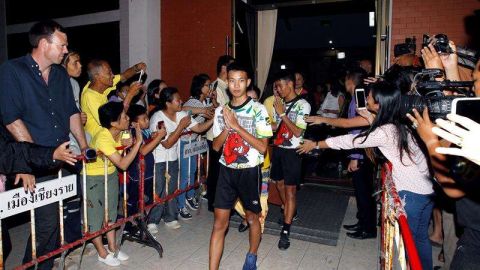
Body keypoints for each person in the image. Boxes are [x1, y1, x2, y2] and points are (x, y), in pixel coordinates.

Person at [298, 82, 434, 269]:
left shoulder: (386, 130)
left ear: (379, 103)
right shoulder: (399, 120)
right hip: (426, 190)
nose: (366, 98)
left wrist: (316, 144)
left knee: (405, 245)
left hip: (411, 194)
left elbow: (351, 140)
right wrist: (370, 117)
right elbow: (382, 130)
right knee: (420, 239)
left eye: (370, 96)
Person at [0, 20, 88, 269]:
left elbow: (71, 111)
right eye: (62, 45)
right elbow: (11, 119)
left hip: (64, 156)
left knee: (58, 220)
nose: (65, 50)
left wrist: (83, 146)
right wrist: (31, 159)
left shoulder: (60, 74)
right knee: (47, 223)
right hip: (37, 162)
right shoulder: (12, 71)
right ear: (43, 44)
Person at [209, 63, 273, 270]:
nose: (236, 85)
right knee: (219, 223)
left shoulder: (258, 109)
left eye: (241, 80)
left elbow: (263, 148)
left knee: (253, 217)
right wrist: (228, 128)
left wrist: (237, 127)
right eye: (232, 80)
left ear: (248, 82)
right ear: (227, 83)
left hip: (249, 171)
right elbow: (217, 146)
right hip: (226, 171)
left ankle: (252, 256)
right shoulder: (221, 111)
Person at [85, 102, 143, 266]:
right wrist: (138, 143)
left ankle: (112, 246)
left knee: (110, 212)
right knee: (95, 217)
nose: (128, 118)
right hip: (93, 178)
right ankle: (102, 253)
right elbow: (123, 164)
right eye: (124, 117)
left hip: (109, 174)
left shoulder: (120, 132)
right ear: (113, 123)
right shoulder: (103, 137)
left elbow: (124, 148)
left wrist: (130, 142)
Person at [148, 87, 212, 228]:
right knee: (158, 190)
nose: (181, 102)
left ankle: (170, 217)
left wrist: (214, 119)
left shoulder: (181, 114)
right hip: (159, 159)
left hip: (174, 157)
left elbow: (199, 128)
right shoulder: (157, 118)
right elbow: (167, 143)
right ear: (168, 103)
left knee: (171, 189)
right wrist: (181, 126)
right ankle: (152, 220)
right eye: (177, 100)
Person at [269, 71, 310, 250]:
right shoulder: (280, 104)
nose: (278, 90)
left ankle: (286, 230)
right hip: (278, 150)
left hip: (293, 152)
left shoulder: (303, 105)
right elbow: (277, 127)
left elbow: (298, 132)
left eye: (280, 86)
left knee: (290, 190)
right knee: (278, 184)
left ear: (290, 85)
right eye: (276, 86)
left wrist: (283, 114)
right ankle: (289, 211)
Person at [177, 74, 214, 218]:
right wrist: (204, 111)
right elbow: (184, 109)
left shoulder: (204, 102)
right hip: (186, 142)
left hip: (195, 142)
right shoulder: (193, 102)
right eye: (207, 85)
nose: (209, 88)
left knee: (193, 171)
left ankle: (190, 196)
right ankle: (181, 204)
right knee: (185, 175)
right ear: (200, 87)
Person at [126, 104, 167, 234]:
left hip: (148, 172)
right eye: (143, 119)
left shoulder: (146, 131)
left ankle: (141, 221)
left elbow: (148, 142)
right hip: (138, 174)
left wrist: (154, 136)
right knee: (135, 200)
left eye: (147, 118)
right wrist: (159, 138)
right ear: (134, 123)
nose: (147, 121)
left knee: (146, 198)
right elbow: (143, 151)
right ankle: (130, 224)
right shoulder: (133, 134)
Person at [81, 59, 146, 138]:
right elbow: (116, 120)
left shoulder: (98, 85)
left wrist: (137, 67)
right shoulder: (90, 97)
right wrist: (130, 94)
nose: (113, 75)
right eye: (109, 73)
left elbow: (124, 76)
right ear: (97, 77)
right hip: (100, 140)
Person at [205, 55, 235, 211]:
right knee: (216, 172)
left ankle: (220, 203)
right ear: (224, 68)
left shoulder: (226, 86)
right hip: (217, 135)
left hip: (226, 133)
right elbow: (221, 110)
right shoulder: (216, 85)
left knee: (222, 171)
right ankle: (213, 203)